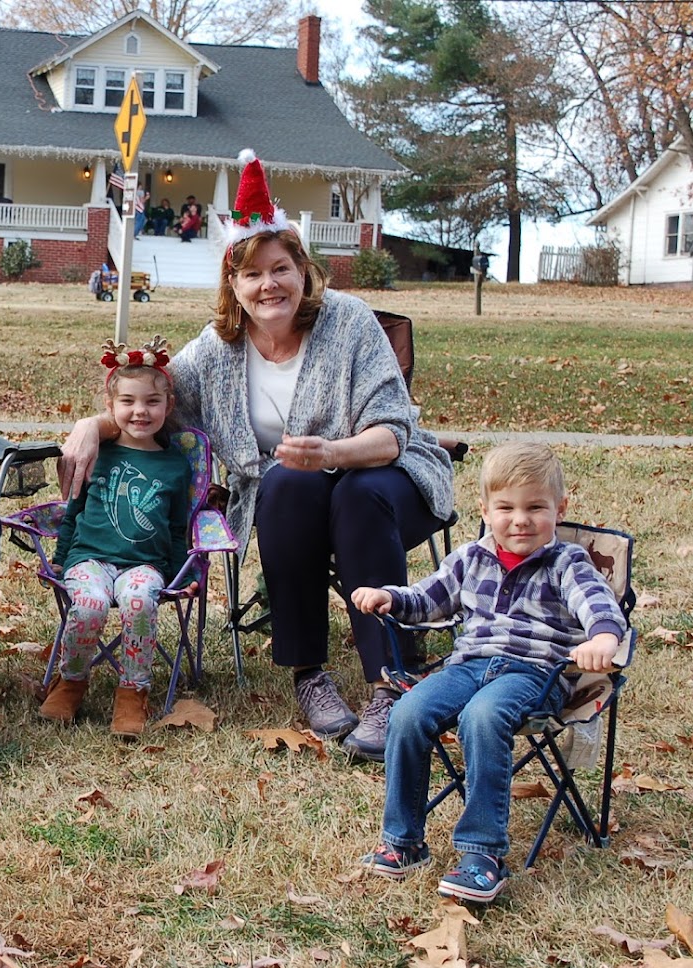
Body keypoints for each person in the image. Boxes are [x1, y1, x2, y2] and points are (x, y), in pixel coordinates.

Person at [59, 150, 454, 761]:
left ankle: (389, 683)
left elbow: (394, 432)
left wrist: (331, 451)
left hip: (386, 478)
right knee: (285, 487)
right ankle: (309, 675)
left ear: (303, 270)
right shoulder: (217, 347)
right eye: (252, 275)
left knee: (354, 491)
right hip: (287, 497)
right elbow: (151, 399)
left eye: (280, 268)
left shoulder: (348, 321)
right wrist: (93, 422)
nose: (268, 284)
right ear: (234, 287)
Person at [355, 442, 625, 904]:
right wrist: (391, 598)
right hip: (469, 664)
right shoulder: (470, 558)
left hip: (534, 673)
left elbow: (599, 607)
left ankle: (483, 855)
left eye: (535, 507)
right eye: (506, 508)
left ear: (560, 509)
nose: (520, 520)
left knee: (482, 718)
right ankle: (403, 842)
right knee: (408, 713)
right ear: (484, 509)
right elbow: (427, 599)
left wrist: (602, 638)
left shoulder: (569, 563)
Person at [40, 338, 192, 739]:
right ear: (110, 407)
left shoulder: (175, 465)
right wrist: (61, 557)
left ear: (168, 406)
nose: (140, 411)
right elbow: (72, 511)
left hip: (146, 565)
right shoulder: (99, 453)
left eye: (151, 402)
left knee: (140, 600)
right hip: (89, 559)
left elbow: (178, 528)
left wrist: (179, 573)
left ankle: (132, 693)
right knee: (88, 604)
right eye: (127, 401)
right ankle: (71, 683)